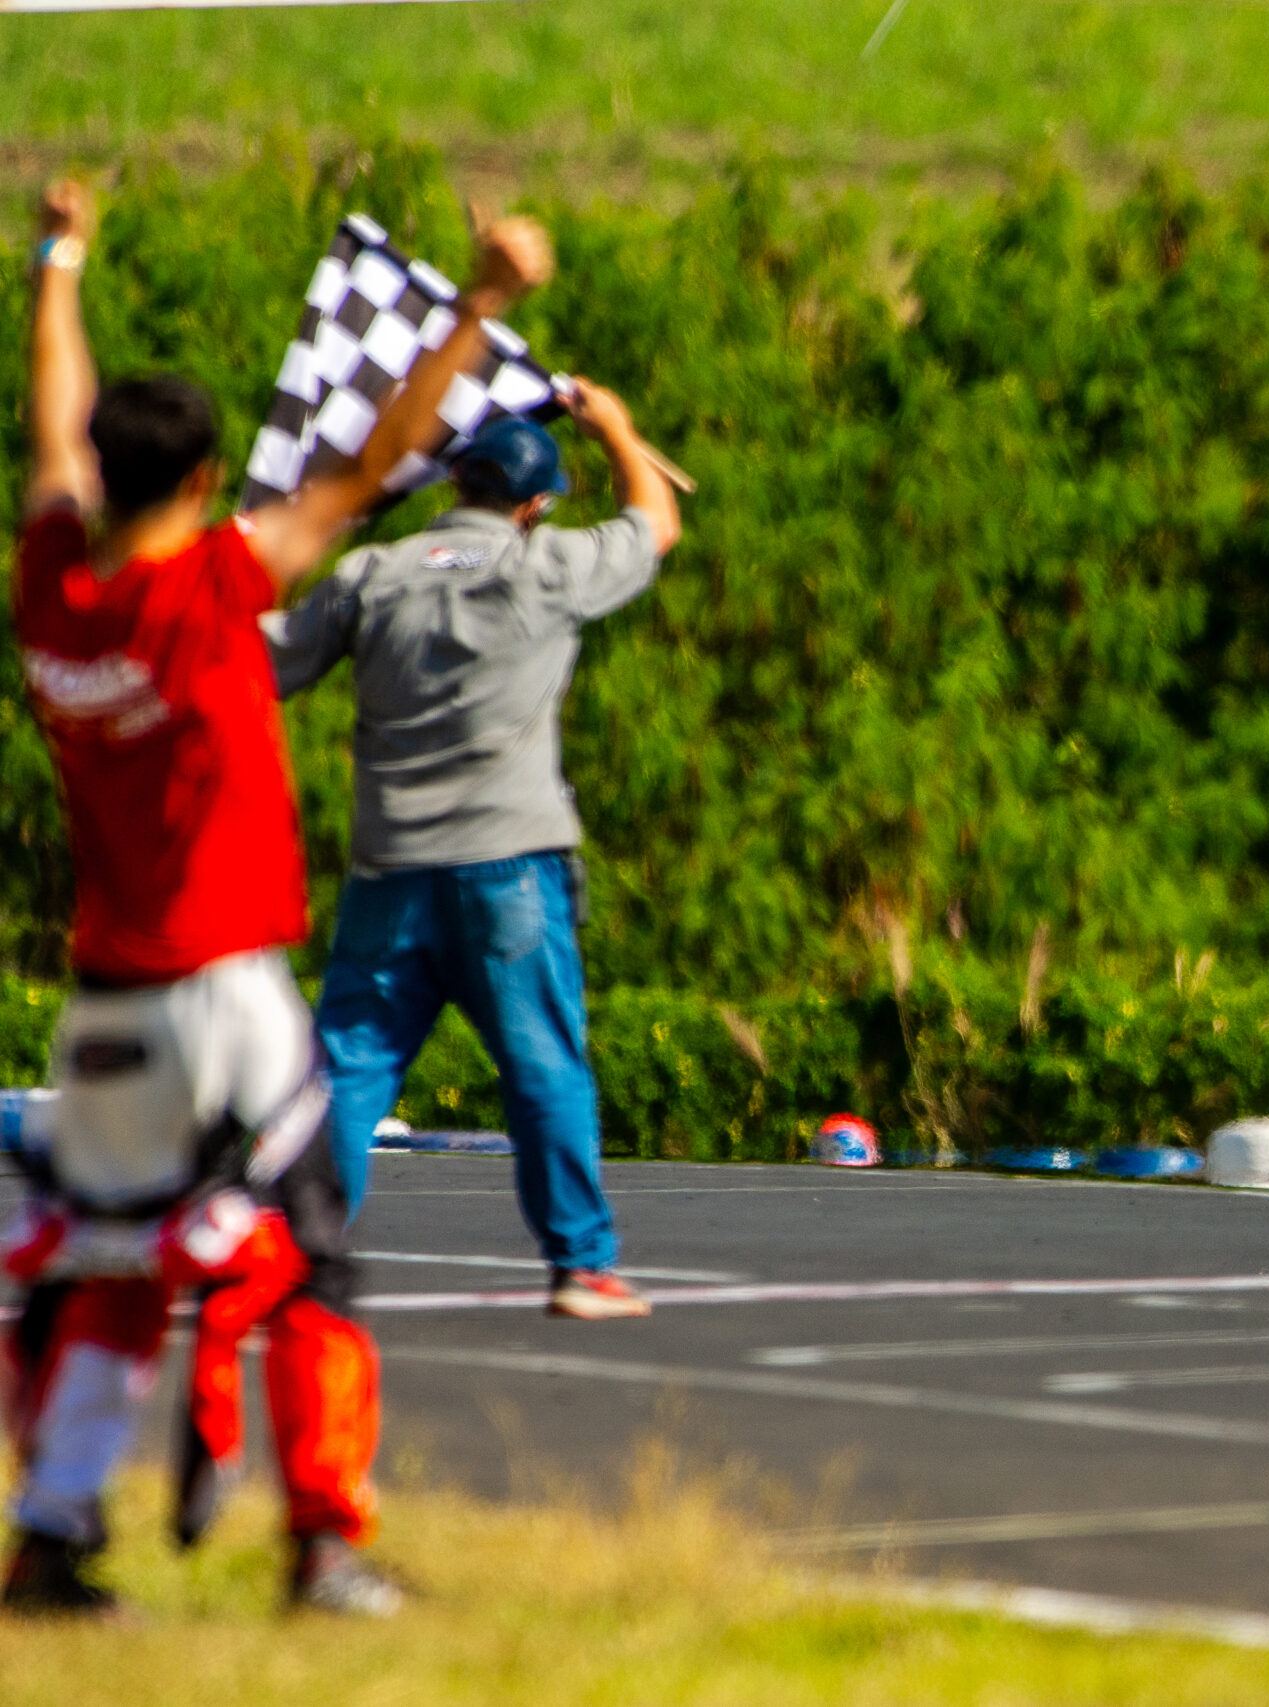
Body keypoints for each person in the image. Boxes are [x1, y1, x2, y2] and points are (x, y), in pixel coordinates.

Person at [2, 179, 554, 1615]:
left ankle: (55, 1532)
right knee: (311, 1260)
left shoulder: (54, 585)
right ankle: (321, 1539)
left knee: (117, 1267)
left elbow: (49, 421)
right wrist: (479, 306)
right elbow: (367, 462)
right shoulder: (211, 591)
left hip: (107, 990)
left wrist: (60, 259)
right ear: (197, 489)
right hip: (225, 986)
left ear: (100, 481)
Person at [267, 379, 680, 1321]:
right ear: (534, 505)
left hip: (388, 872)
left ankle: (292, 1259)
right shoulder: (549, 568)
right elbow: (655, 524)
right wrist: (615, 422)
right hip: (511, 869)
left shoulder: (373, 575)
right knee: (544, 1070)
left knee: (346, 1073)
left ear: (454, 483)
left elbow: (268, 660)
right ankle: (581, 1266)